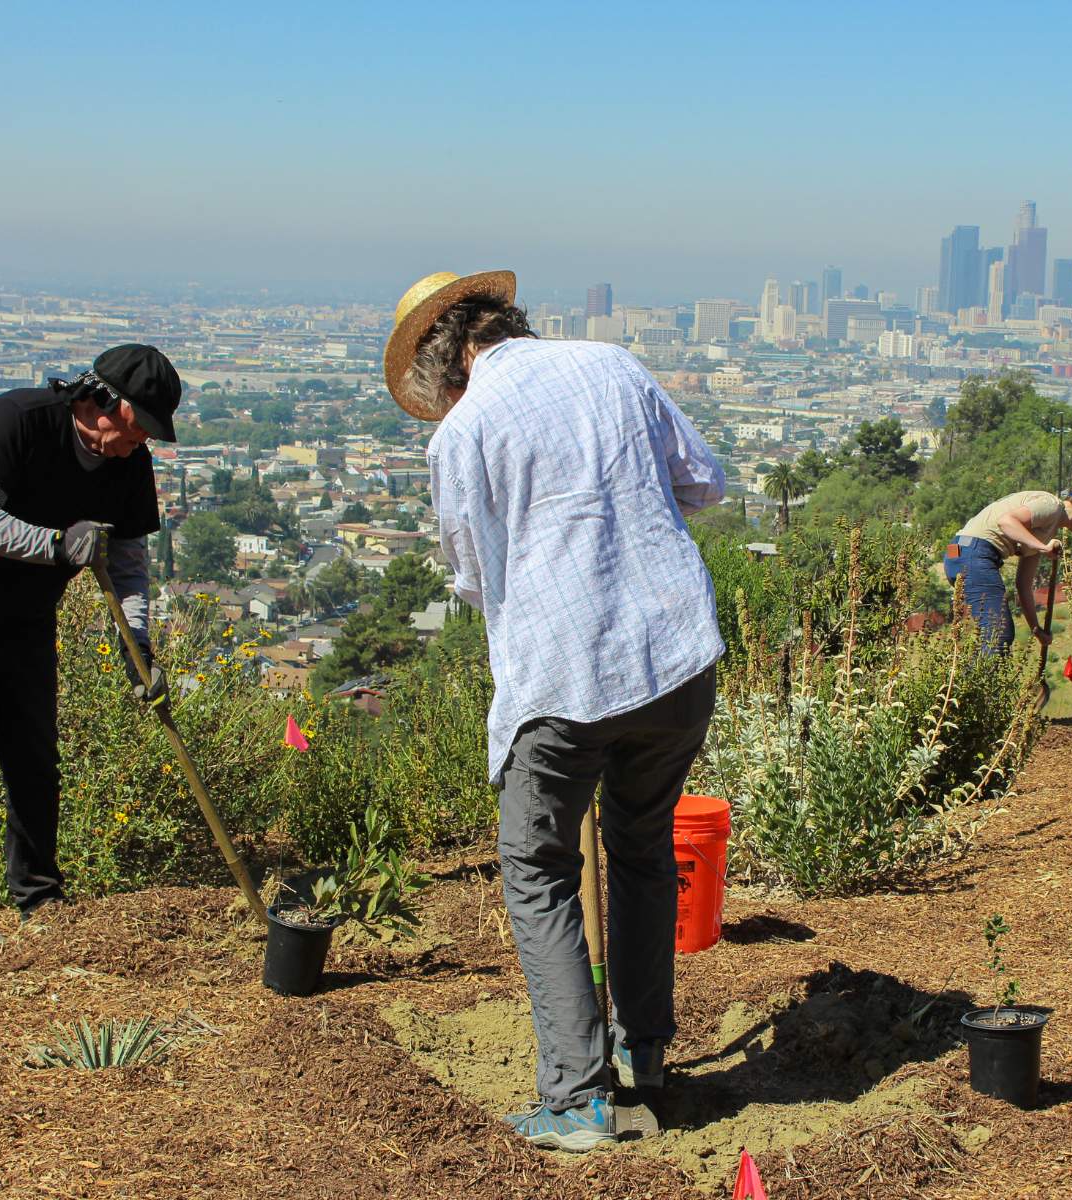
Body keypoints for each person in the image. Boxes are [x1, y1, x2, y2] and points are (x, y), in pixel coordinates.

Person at [384, 270, 726, 1152]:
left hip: (564, 676)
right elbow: (701, 485)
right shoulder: (613, 365)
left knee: (536, 869)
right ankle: (643, 1056)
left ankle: (576, 1099)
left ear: (444, 356)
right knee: (642, 846)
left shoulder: (465, 431)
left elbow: (470, 574)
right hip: (675, 655)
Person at [0, 345, 177, 953]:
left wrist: (138, 645)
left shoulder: (127, 465)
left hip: (23, 617)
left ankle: (40, 898)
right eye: (137, 428)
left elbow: (125, 563)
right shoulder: (12, 422)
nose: (139, 444)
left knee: (34, 757)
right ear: (102, 403)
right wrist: (55, 543)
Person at [943, 483, 1072, 653]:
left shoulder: (1044, 531)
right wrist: (1043, 547)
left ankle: (967, 676)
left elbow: (1023, 585)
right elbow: (1006, 521)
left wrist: (1036, 629)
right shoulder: (1052, 506)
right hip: (971, 553)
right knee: (998, 634)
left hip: (956, 551)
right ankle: (970, 680)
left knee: (993, 632)